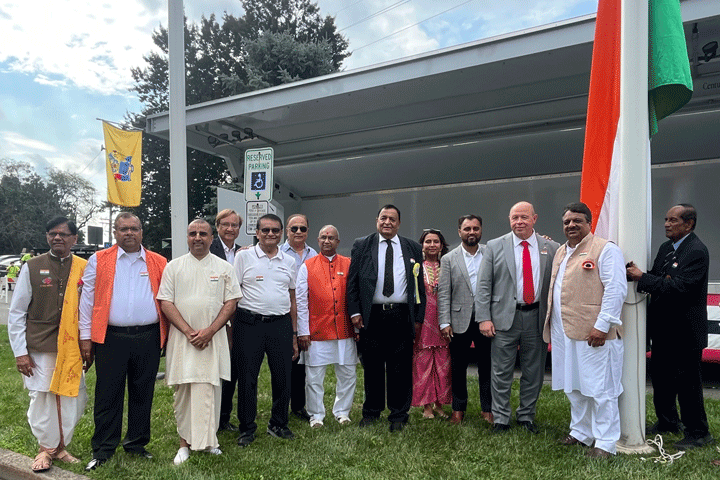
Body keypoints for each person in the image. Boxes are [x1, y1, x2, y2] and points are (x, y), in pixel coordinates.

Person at [79, 212, 168, 471]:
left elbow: (168, 299)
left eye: (134, 228)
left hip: (148, 336)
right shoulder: (98, 260)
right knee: (108, 395)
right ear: (115, 233)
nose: (129, 233)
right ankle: (103, 449)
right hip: (111, 338)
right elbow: (87, 301)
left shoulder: (159, 261)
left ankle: (137, 444)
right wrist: (86, 337)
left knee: (143, 393)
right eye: (123, 229)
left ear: (142, 232)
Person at [627, 203, 714, 450]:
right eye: (666, 219)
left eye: (673, 220)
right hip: (663, 330)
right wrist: (643, 277)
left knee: (688, 385)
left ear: (689, 224)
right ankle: (667, 423)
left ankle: (698, 432)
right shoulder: (667, 248)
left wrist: (645, 278)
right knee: (662, 380)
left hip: (685, 332)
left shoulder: (697, 250)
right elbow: (658, 278)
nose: (667, 224)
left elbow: (681, 288)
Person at [543, 202, 627, 458]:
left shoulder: (605, 249)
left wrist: (602, 326)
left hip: (594, 334)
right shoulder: (560, 252)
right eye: (567, 221)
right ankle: (581, 432)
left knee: (601, 390)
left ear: (589, 223)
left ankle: (605, 443)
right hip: (564, 333)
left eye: (577, 221)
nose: (571, 225)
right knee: (574, 387)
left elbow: (616, 289)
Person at [158, 219, 242, 465]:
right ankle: (184, 444)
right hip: (183, 340)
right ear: (186, 237)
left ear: (211, 237)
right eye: (192, 233)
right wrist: (188, 331)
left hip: (212, 340)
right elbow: (165, 302)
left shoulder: (224, 267)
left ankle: (208, 442)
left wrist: (210, 331)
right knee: (184, 391)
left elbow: (231, 302)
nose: (197, 237)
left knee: (209, 391)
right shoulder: (174, 267)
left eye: (203, 233)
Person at [8, 217, 87, 472]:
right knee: (42, 398)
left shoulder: (84, 268)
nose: (57, 238)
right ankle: (45, 449)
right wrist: (21, 353)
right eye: (52, 234)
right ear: (47, 237)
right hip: (41, 348)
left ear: (74, 239)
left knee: (71, 399)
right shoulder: (32, 266)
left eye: (63, 234)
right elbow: (17, 312)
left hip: (73, 349)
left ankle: (61, 447)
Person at [475, 201, 558, 433]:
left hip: (536, 318)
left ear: (535, 218)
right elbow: (483, 285)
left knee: (534, 372)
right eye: (514, 218)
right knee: (500, 372)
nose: (519, 222)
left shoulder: (551, 248)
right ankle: (501, 418)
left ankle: (526, 417)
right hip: (503, 320)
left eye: (524, 217)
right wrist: (484, 317)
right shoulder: (494, 246)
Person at [346, 205, 426, 432]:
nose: (387, 222)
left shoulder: (412, 247)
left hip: (401, 315)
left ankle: (399, 414)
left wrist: (418, 317)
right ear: (376, 220)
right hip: (372, 316)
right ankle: (371, 412)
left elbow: (418, 285)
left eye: (392, 219)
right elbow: (352, 282)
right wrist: (355, 311)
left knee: (400, 367)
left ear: (399, 223)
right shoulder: (362, 245)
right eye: (383, 218)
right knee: (372, 366)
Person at [234, 214, 299, 447]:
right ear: (257, 233)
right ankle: (247, 428)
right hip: (249, 324)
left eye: (275, 230)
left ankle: (278, 424)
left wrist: (293, 334)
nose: (270, 234)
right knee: (248, 378)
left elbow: (292, 297)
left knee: (282, 377)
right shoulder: (243, 258)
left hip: (280, 325)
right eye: (265, 230)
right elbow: (234, 293)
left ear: (281, 233)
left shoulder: (289, 262)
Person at [296, 225, 358, 428]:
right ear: (318, 240)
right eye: (323, 237)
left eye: (331, 238)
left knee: (347, 373)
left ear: (338, 242)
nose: (327, 241)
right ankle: (316, 415)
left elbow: (355, 296)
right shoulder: (307, 265)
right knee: (314, 377)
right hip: (317, 331)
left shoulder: (349, 264)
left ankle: (342, 412)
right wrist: (303, 331)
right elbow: (301, 301)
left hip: (344, 330)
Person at [438, 215, 493, 425]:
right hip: (458, 320)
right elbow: (444, 293)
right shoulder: (449, 259)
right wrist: (444, 322)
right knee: (458, 367)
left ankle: (487, 409)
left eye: (476, 228)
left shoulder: (491, 253)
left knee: (487, 366)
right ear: (459, 231)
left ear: (481, 231)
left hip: (486, 320)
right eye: (467, 228)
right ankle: (458, 409)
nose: (472, 232)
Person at [281, 213, 318, 421]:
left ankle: (299, 405)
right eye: (293, 228)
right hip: (284, 313)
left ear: (307, 231)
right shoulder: (279, 253)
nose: (298, 232)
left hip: (308, 314)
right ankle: (283, 405)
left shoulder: (314, 254)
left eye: (302, 228)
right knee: (287, 361)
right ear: (287, 231)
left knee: (303, 364)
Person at [412, 229, 451, 419]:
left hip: (443, 320)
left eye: (436, 241)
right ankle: (426, 406)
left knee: (443, 364)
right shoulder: (416, 267)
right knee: (423, 364)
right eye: (428, 241)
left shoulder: (449, 265)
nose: (432, 245)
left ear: (442, 246)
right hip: (423, 321)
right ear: (422, 245)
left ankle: (440, 405)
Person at [209, 208, 243, 432]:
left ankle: (223, 418)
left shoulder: (245, 252)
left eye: (235, 225)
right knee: (212, 369)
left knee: (232, 369)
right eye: (226, 225)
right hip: (213, 317)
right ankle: (208, 417)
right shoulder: (206, 249)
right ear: (218, 226)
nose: (230, 229)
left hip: (239, 319)